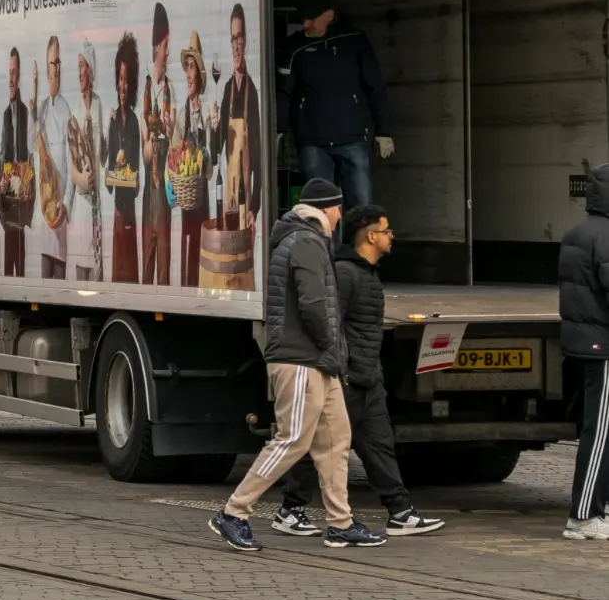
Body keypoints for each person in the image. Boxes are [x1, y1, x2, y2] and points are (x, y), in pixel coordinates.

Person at [209, 178, 384, 552]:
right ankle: (234, 512)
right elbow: (314, 304)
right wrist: (330, 347)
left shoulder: (306, 239)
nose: (341, 216)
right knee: (292, 439)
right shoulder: (306, 241)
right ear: (327, 208)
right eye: (339, 208)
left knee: (336, 440)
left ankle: (340, 523)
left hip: (318, 359)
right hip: (302, 358)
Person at [275, 205, 446, 538]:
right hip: (349, 378)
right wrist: (343, 370)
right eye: (386, 230)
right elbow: (329, 323)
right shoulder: (346, 274)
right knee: (322, 446)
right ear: (370, 236)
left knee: (379, 445)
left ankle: (399, 511)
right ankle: (290, 509)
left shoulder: (366, 273)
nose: (391, 236)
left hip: (369, 378)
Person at [278, 0, 392, 210]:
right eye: (304, 20)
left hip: (352, 137)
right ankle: (326, 246)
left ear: (329, 15)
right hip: (312, 141)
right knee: (322, 208)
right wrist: (278, 128)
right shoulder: (294, 47)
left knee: (362, 205)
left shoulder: (354, 40)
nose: (307, 25)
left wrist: (384, 130)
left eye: (312, 19)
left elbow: (375, 86)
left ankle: (359, 245)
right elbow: (284, 92)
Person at [559, 162, 609, 539]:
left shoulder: (581, 231)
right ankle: (583, 516)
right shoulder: (605, 235)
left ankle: (596, 511)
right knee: (600, 431)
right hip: (603, 345)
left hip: (591, 341)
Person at [215, 4, 265, 244]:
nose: (235, 46)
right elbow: (217, 149)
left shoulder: (252, 91)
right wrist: (214, 126)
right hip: (230, 194)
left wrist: (255, 206)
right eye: (232, 39)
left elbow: (259, 155)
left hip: (246, 194)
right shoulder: (226, 89)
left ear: (245, 41)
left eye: (239, 38)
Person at [140, 5, 175, 285]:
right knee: (148, 259)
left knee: (164, 256)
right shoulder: (147, 88)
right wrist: (151, 136)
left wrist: (168, 129)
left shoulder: (170, 90)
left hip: (164, 188)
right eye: (165, 46)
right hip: (148, 192)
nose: (168, 51)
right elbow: (145, 152)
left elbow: (174, 140)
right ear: (157, 48)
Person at [32, 38, 72, 279]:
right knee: (44, 278)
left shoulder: (67, 110)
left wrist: (65, 204)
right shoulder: (41, 110)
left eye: (58, 62)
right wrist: (35, 93)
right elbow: (32, 147)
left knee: (59, 278)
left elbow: (70, 160)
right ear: (46, 69)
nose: (55, 68)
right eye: (51, 62)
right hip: (44, 209)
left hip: (60, 211)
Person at [67, 42, 105, 281]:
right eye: (78, 66)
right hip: (82, 207)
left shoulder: (100, 105)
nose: (80, 72)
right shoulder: (74, 111)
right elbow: (71, 167)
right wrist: (82, 179)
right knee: (83, 272)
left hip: (97, 207)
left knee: (99, 273)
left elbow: (103, 155)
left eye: (83, 66)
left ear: (90, 70)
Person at [106, 34, 142, 284]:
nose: (122, 86)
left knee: (131, 280)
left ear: (132, 85)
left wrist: (129, 171)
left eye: (126, 81)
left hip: (131, 215)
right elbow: (109, 184)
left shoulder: (135, 123)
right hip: (118, 214)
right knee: (117, 279)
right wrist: (114, 167)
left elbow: (137, 182)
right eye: (119, 79)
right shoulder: (112, 123)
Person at [177, 31, 211, 288]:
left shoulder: (209, 112)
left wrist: (206, 155)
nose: (188, 74)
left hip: (203, 197)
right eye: (186, 67)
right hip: (186, 198)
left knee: (203, 253)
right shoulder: (181, 115)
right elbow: (173, 156)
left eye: (192, 67)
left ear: (199, 74)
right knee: (186, 250)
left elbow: (211, 166)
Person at [0, 48, 31, 278]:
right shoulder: (4, 116)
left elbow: (29, 156)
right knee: (8, 265)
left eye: (14, 72)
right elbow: (2, 154)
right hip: (7, 203)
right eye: (9, 72)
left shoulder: (25, 112)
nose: (11, 78)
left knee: (20, 263)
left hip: (21, 205)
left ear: (19, 76)